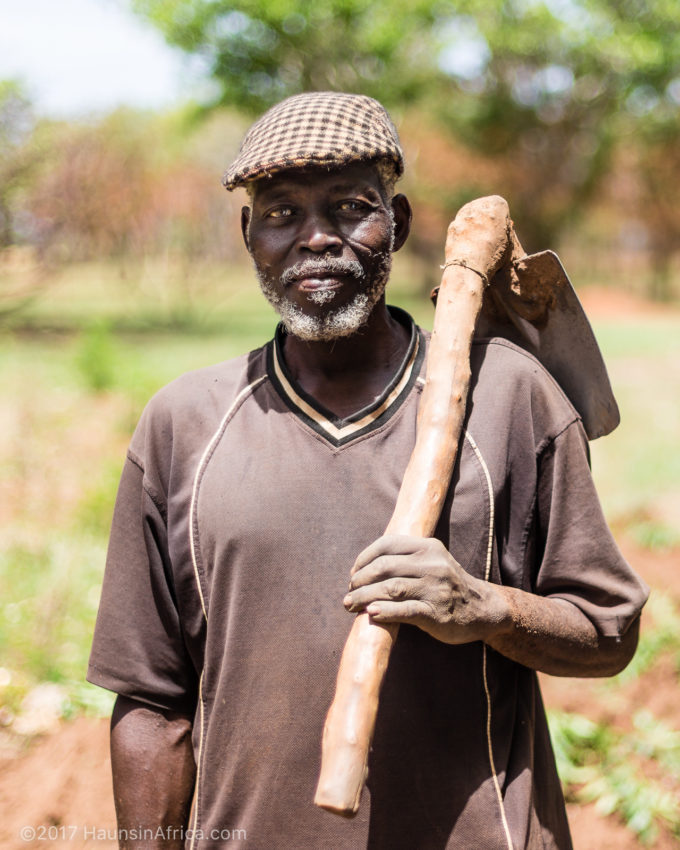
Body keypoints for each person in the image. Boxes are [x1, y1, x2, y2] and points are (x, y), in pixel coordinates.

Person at [88, 91, 648, 850]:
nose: (317, 238)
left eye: (351, 207)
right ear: (248, 233)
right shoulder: (184, 426)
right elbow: (153, 704)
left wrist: (484, 608)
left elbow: (607, 633)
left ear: (401, 224)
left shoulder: (512, 397)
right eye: (281, 213)